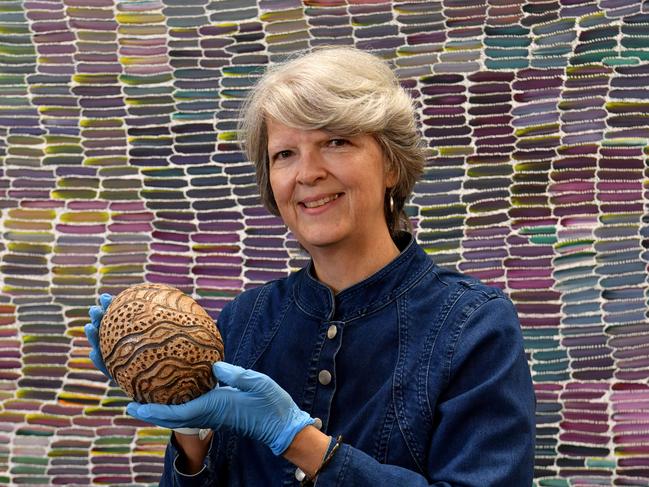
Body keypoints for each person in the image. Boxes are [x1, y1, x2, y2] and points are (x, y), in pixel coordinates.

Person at [85, 47, 536, 486]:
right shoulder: (242, 321)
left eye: (336, 141)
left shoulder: (475, 327)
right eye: (285, 154)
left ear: (392, 165)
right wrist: (189, 428)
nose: (307, 173)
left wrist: (297, 440)